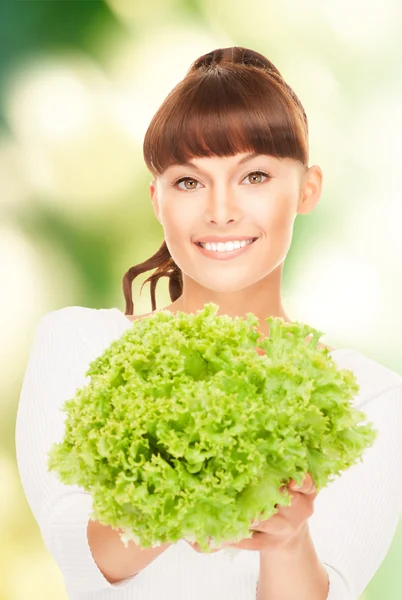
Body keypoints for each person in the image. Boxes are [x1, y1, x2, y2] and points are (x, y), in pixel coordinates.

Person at [15, 46, 402, 600]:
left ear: (308, 189)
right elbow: (80, 556)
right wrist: (183, 490)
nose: (220, 210)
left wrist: (288, 539)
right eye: (189, 182)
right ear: (157, 199)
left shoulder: (368, 397)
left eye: (256, 176)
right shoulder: (80, 343)